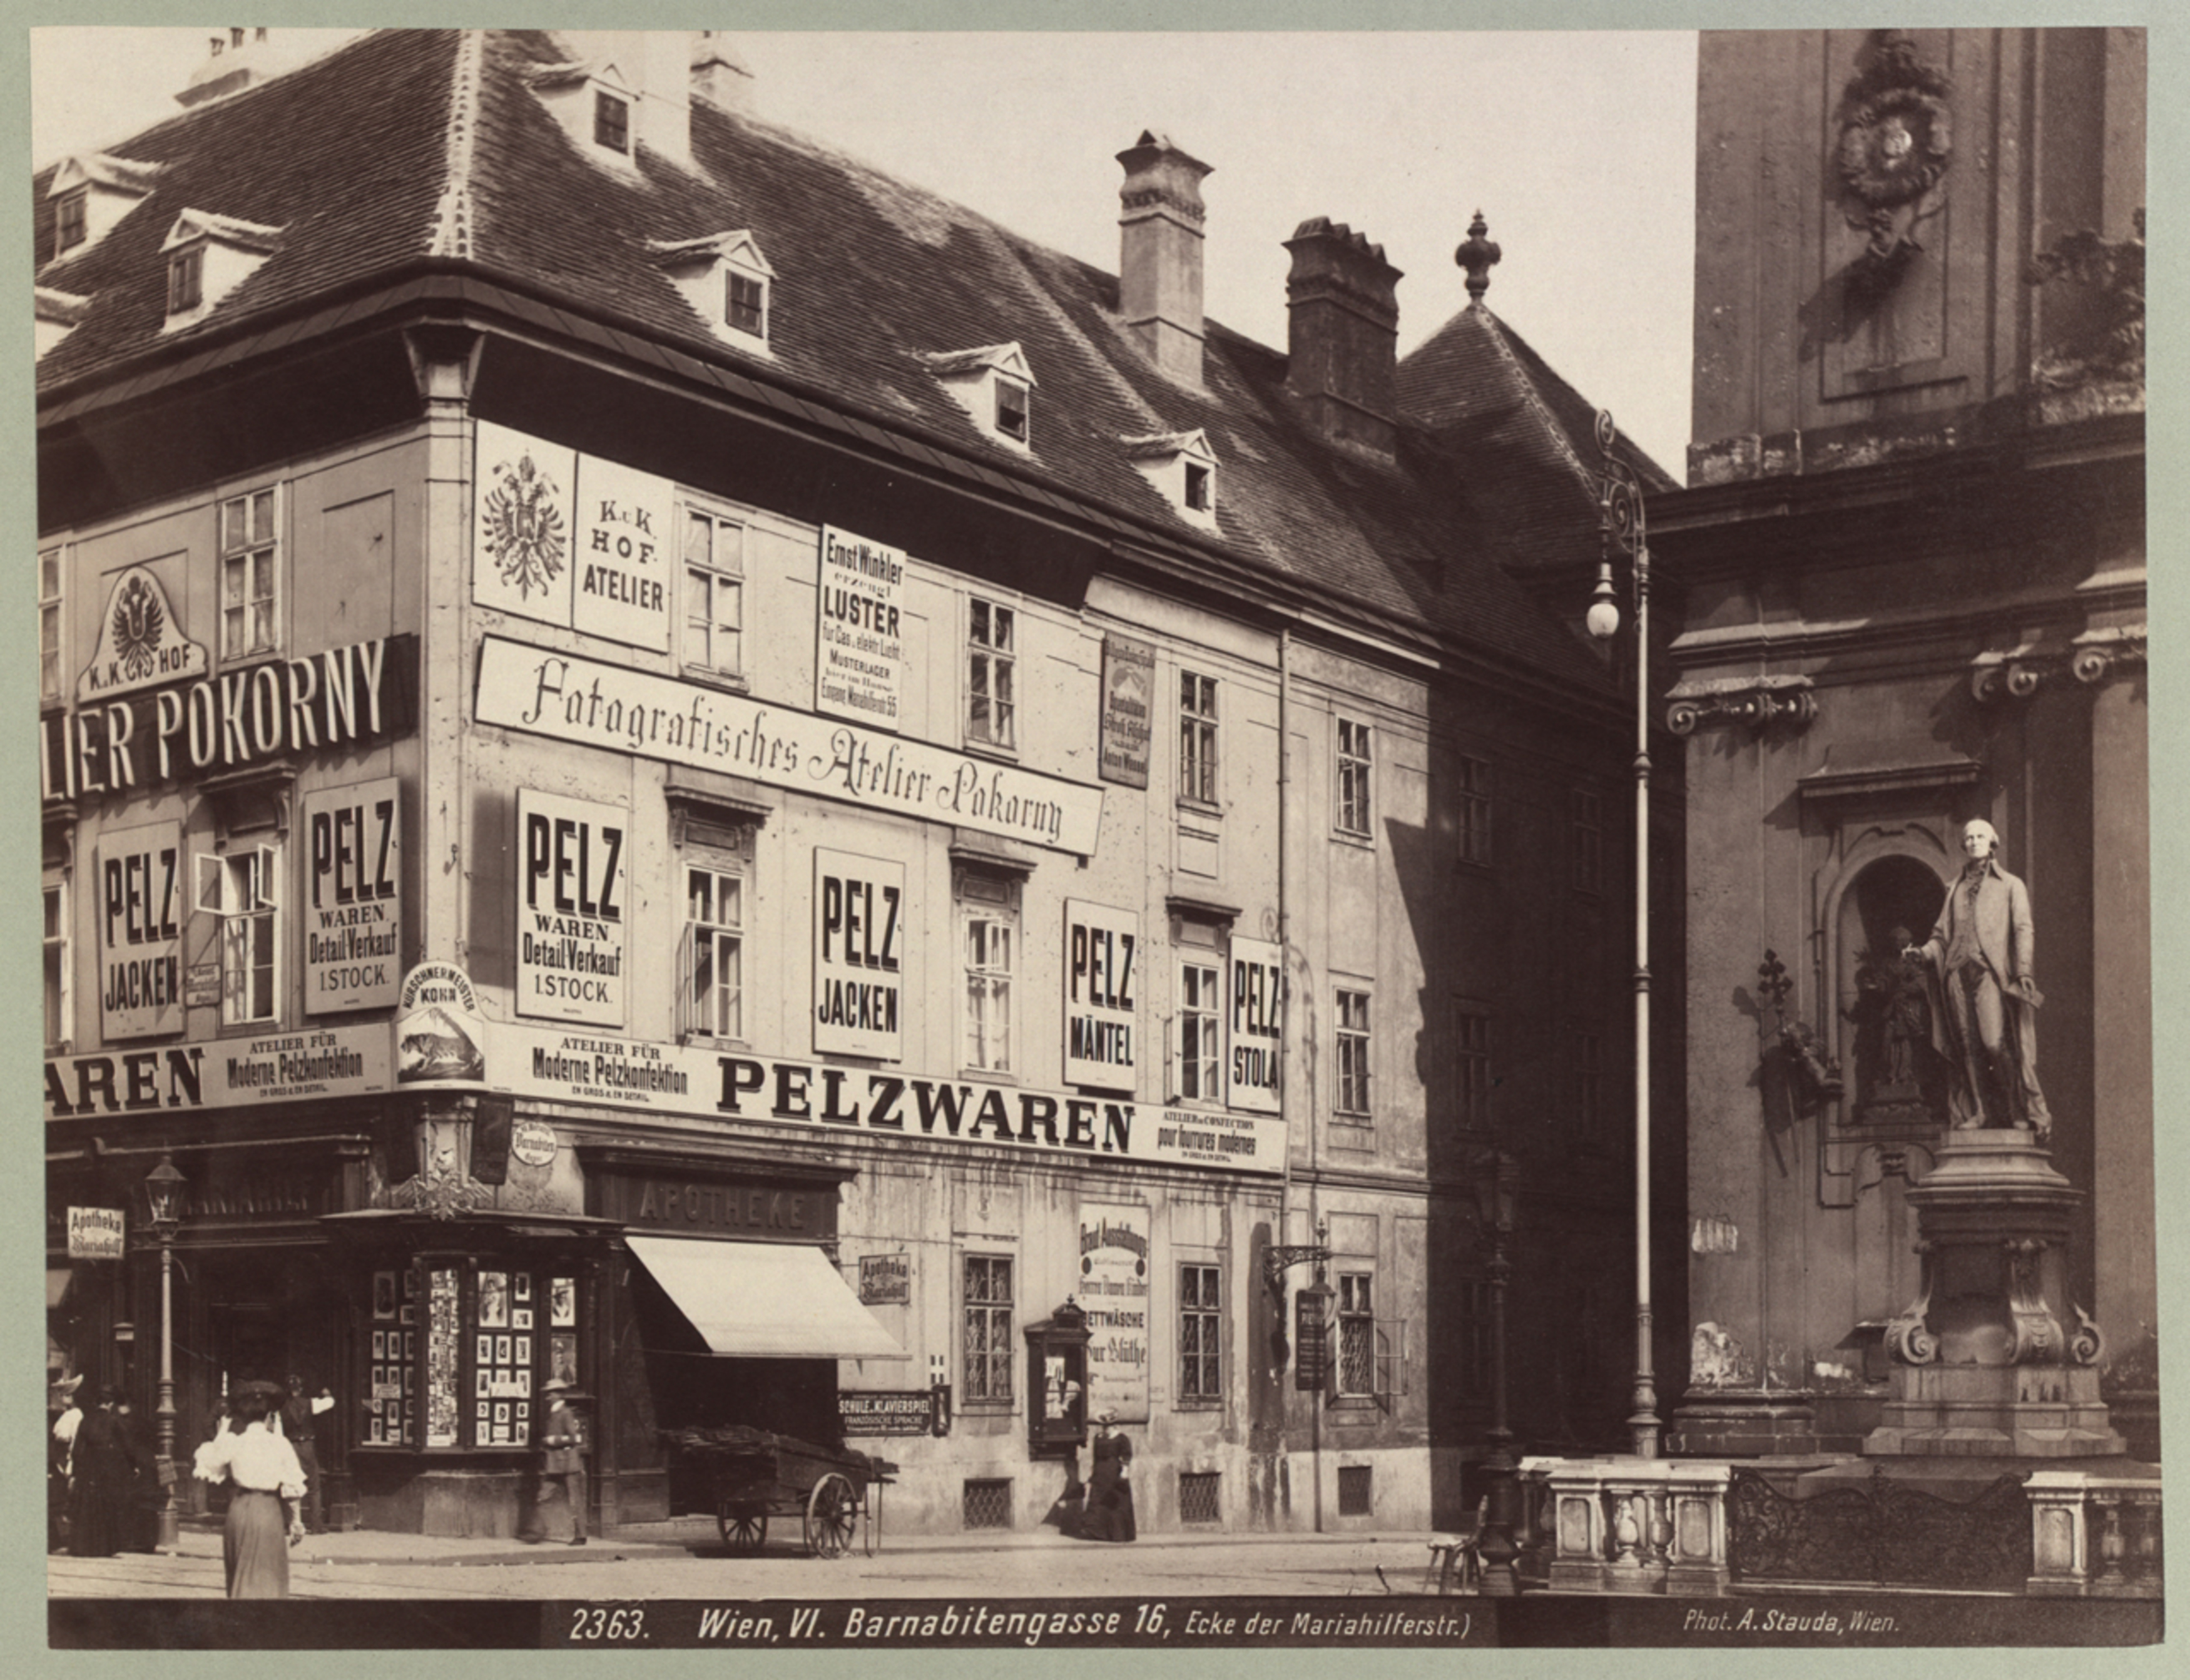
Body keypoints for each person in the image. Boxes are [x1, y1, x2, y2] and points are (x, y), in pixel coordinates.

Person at [1904, 819, 2053, 1139]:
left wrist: (2024, 970)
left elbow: (2023, 929)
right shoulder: (1954, 888)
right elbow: (1941, 936)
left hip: (1989, 972)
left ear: (1993, 842)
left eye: (1980, 836)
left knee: (1993, 1042)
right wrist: (1924, 954)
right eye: (1968, 837)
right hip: (1956, 974)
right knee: (1967, 1046)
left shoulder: (2011, 885)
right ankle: (1980, 1111)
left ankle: (2015, 1107)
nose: (1973, 841)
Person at [194, 1381, 307, 1597]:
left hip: (238, 1510)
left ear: (243, 1417)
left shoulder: (234, 1442)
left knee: (239, 1571)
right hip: (268, 1510)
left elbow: (210, 1460)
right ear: (269, 1416)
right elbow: (293, 1488)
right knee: (268, 1573)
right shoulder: (280, 1444)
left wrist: (225, 1426)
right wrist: (296, 1522)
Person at [67, 1386, 138, 1558]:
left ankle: (83, 1547)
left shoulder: (86, 1420)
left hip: (87, 1468)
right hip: (107, 1468)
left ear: (96, 1403)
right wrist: (133, 1465)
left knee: (87, 1506)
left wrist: (76, 1472)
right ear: (111, 1404)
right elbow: (128, 1447)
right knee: (106, 1505)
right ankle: (105, 1547)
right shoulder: (114, 1421)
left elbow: (77, 1449)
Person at [522, 1378, 588, 1545]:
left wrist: (553, 1440)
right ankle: (538, 1531)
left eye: (551, 1393)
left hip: (567, 1464)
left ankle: (581, 1536)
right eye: (548, 1393)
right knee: (542, 1497)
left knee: (574, 1501)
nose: (548, 1396)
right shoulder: (553, 1413)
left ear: (559, 1394)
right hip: (555, 1465)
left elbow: (574, 1438)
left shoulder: (566, 1413)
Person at [1082, 1410, 1136, 1543]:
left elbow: (1126, 1456)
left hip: (1114, 1472)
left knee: (1115, 1503)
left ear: (1115, 1426)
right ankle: (1098, 1533)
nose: (1106, 1429)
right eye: (1104, 1427)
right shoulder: (1098, 1438)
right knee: (1097, 1500)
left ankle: (1117, 1534)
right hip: (1100, 1473)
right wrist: (1093, 1473)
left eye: (1109, 1427)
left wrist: (1124, 1472)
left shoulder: (1122, 1438)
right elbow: (1095, 1457)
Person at [280, 1375, 325, 1534]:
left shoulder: (281, 1408)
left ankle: (291, 1524)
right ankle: (316, 1525)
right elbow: (330, 1403)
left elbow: (279, 1432)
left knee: (290, 1485)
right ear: (301, 1388)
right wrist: (327, 1394)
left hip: (290, 1446)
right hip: (307, 1445)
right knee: (314, 1487)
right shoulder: (310, 1403)